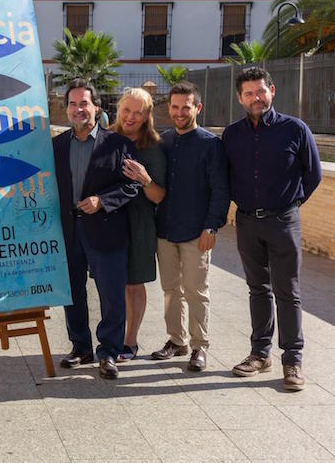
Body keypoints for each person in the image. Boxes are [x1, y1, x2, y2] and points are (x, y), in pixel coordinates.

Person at [223, 67, 321, 391]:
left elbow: (313, 175)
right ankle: (260, 353)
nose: (256, 98)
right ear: (240, 98)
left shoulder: (295, 129)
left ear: (272, 91)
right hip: (247, 222)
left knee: (287, 292)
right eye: (248, 93)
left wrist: (289, 206)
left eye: (260, 91)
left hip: (283, 221)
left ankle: (292, 361)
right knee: (257, 289)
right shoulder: (232, 135)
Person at [52, 79, 140, 379]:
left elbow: (131, 186)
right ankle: (81, 347)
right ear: (66, 110)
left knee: (111, 294)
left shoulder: (118, 144)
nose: (79, 109)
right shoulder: (57, 146)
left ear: (96, 108)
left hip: (106, 230)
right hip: (69, 231)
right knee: (72, 292)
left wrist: (102, 200)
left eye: (84, 103)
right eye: (73, 104)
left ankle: (109, 352)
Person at [150, 82, 229, 371]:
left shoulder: (211, 144)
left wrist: (212, 227)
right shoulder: (164, 142)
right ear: (169, 108)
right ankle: (176, 340)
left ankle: (199, 347)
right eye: (175, 107)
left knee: (196, 291)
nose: (180, 112)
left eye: (186, 107)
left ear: (198, 108)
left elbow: (220, 190)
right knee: (171, 290)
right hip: (166, 230)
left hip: (197, 233)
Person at [108, 88, 166, 362]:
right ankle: (111, 337)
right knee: (112, 283)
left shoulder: (153, 146)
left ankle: (129, 341)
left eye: (138, 112)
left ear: (146, 116)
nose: (130, 117)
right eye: (126, 110)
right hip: (108, 220)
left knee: (133, 284)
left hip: (139, 223)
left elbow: (158, 196)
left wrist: (144, 178)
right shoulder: (105, 138)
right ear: (118, 108)